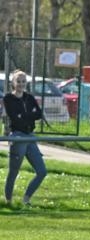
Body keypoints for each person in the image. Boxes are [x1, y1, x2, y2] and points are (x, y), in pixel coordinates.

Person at [3, 70, 47, 206]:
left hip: (30, 136)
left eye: (23, 81)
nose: (21, 84)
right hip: (17, 136)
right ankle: (8, 201)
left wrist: (25, 116)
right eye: (18, 81)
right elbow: (15, 118)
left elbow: (39, 114)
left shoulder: (29, 97)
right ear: (13, 83)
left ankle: (26, 198)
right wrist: (28, 116)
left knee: (42, 171)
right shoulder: (8, 99)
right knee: (13, 172)